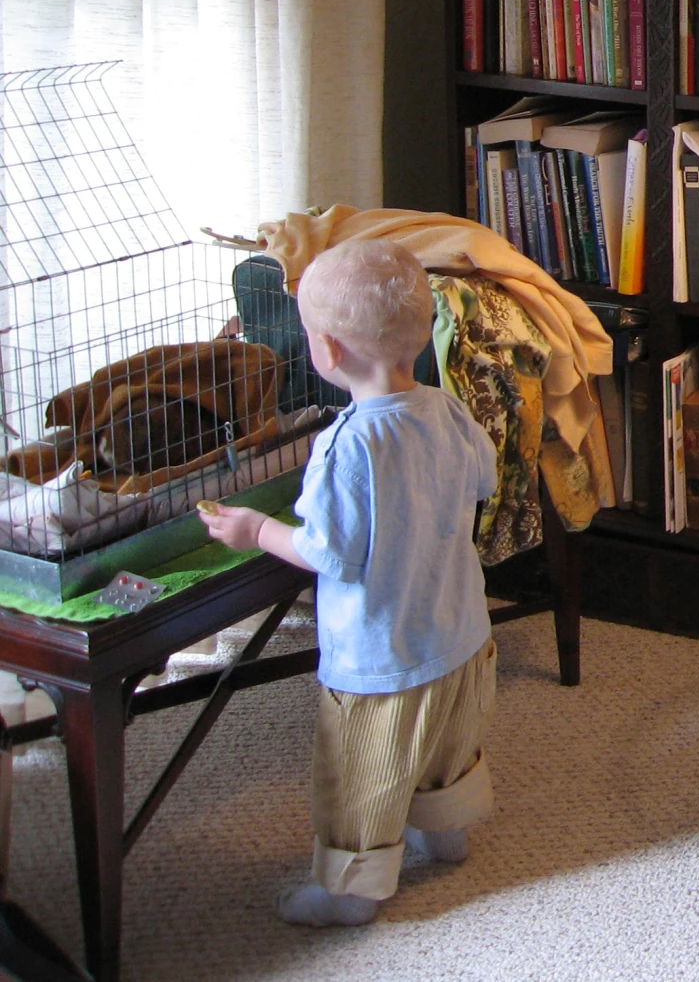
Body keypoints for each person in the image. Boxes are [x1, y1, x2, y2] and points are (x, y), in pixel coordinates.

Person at [201, 238, 498, 927]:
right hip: (459, 633)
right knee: (447, 746)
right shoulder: (445, 406)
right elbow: (480, 476)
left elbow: (328, 553)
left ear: (327, 352)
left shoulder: (346, 444)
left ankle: (351, 892)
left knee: (361, 777)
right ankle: (445, 831)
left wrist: (256, 532)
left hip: (379, 659)